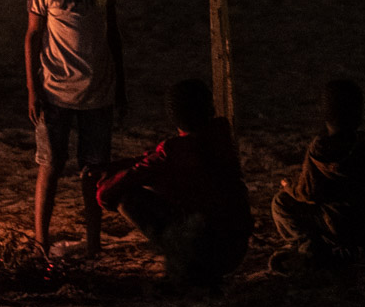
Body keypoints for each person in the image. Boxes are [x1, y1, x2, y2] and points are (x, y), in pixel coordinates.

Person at [25, 0, 127, 258]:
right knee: (50, 166)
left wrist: (121, 85)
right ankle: (40, 243)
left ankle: (94, 244)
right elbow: (33, 37)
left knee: (94, 171)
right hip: (55, 92)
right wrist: (32, 90)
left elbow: (107, 27)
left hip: (98, 91)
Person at [96, 79, 252, 287]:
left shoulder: (173, 152)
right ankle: (196, 272)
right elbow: (151, 159)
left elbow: (107, 195)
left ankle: (188, 271)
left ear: (174, 115)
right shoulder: (220, 136)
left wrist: (105, 179)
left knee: (129, 200)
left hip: (208, 249)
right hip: (236, 247)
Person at [270, 80, 365, 269]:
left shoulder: (320, 148)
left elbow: (307, 193)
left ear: (326, 114)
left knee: (280, 202)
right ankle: (348, 249)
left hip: (333, 224)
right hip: (362, 225)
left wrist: (289, 187)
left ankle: (309, 246)